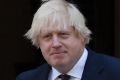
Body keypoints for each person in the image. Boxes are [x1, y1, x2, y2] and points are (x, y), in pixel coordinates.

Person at [16, 0, 120, 80]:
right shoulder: (26, 78)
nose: (55, 44)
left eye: (63, 34)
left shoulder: (116, 72)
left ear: (82, 36)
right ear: (38, 42)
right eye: (47, 36)